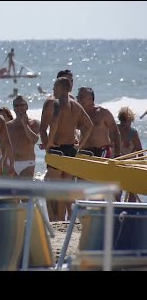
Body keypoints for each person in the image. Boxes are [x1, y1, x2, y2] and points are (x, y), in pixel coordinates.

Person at [39, 77, 93, 221]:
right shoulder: (76, 105)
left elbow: (55, 122)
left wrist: (49, 143)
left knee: (51, 186)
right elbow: (89, 126)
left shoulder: (57, 103)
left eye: (55, 87)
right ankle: (61, 219)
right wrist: (79, 146)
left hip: (58, 149)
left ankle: (55, 219)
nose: (53, 90)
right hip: (71, 150)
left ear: (61, 88)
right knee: (64, 187)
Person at [76, 87, 121, 159]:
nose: (78, 100)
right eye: (78, 97)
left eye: (81, 97)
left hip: (102, 150)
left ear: (90, 98)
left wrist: (117, 153)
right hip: (85, 151)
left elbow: (115, 132)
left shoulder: (103, 112)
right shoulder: (79, 115)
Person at [7, 96, 40, 179]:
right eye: (16, 106)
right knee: (11, 191)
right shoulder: (8, 125)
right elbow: (4, 145)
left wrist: (25, 124)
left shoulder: (35, 123)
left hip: (27, 163)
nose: (19, 108)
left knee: (25, 191)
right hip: (10, 163)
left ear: (27, 106)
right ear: (13, 108)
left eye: (21, 105)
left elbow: (34, 140)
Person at [117, 106, 143, 202]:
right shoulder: (133, 132)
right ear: (130, 119)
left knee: (117, 192)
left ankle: (116, 212)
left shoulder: (114, 130)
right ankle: (130, 213)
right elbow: (140, 151)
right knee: (132, 191)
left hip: (116, 164)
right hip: (130, 165)